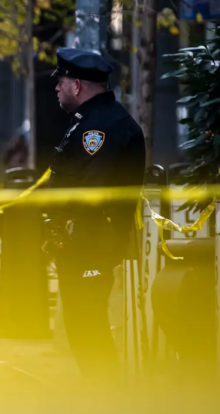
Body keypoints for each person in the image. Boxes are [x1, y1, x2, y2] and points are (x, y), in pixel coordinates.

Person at [44, 47, 146, 383]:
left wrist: (63, 226)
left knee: (88, 322)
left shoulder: (100, 128)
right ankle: (102, 400)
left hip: (91, 242)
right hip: (80, 241)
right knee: (81, 322)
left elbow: (90, 192)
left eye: (60, 81)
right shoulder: (88, 121)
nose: (56, 87)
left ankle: (108, 403)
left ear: (76, 85)